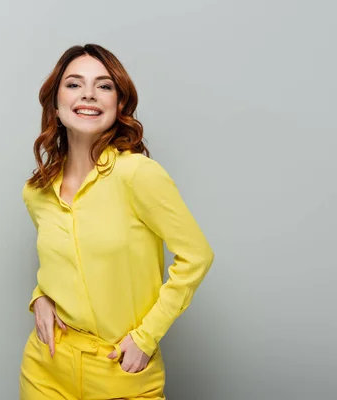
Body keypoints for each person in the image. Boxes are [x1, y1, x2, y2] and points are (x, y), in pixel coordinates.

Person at [18, 43, 215, 399]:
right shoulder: (38, 191)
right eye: (74, 84)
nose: (89, 94)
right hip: (46, 364)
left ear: (119, 104)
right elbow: (64, 263)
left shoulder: (138, 175)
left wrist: (146, 336)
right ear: (56, 104)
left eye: (104, 85)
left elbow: (197, 256)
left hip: (118, 368)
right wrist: (40, 296)